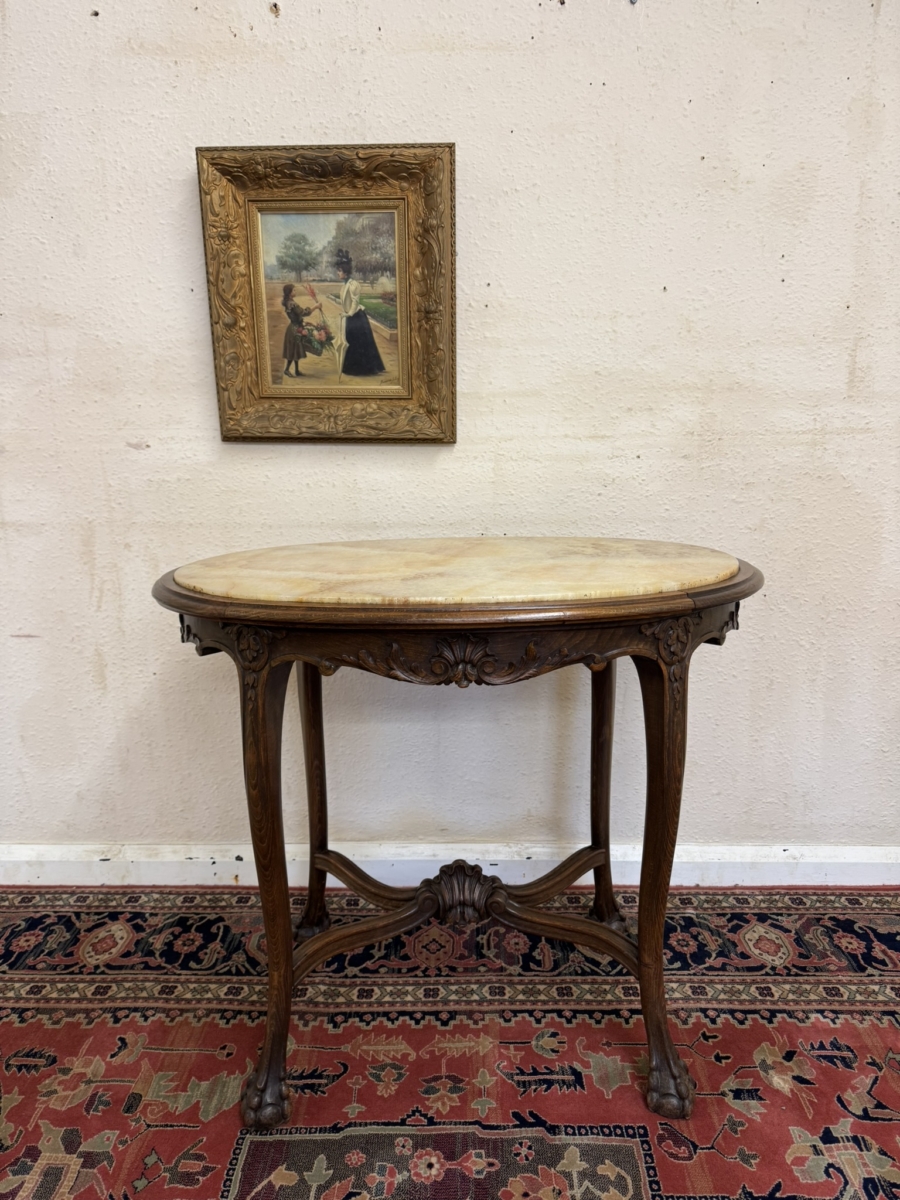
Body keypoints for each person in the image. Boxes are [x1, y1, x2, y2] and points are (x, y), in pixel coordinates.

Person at [335, 249, 385, 377]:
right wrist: (345, 313)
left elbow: (355, 302)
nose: (338, 273)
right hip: (351, 317)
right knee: (350, 341)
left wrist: (348, 314)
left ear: (345, 272)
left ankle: (363, 369)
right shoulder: (344, 284)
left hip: (357, 317)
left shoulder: (354, 284)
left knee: (359, 342)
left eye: (339, 271)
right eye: (338, 270)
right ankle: (352, 367)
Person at [280, 283, 322, 378]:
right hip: (295, 329)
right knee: (294, 350)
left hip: (294, 327)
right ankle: (287, 370)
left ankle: (296, 370)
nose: (295, 291)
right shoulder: (292, 303)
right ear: (290, 293)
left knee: (296, 350)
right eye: (294, 290)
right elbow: (303, 312)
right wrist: (316, 306)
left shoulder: (289, 302)